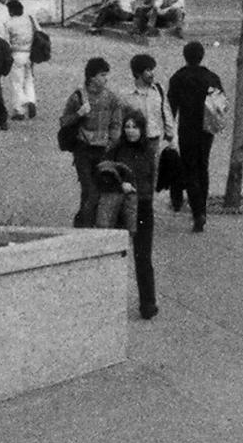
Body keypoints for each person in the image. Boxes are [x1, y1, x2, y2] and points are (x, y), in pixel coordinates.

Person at [117, 56, 167, 319]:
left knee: (143, 257)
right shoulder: (117, 152)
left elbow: (164, 112)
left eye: (135, 128)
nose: (131, 131)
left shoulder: (149, 154)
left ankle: (148, 303)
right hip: (122, 206)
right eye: (127, 127)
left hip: (143, 206)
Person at [59, 57, 127, 228]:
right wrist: (79, 114)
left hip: (103, 151)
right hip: (83, 150)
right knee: (89, 190)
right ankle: (85, 227)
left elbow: (116, 123)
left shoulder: (111, 98)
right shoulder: (78, 97)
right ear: (91, 77)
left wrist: (112, 142)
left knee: (96, 191)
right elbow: (64, 121)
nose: (106, 79)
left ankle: (82, 224)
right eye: (102, 75)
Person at [165, 40, 224, 230]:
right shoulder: (212, 77)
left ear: (185, 56)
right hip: (206, 129)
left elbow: (170, 108)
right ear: (202, 56)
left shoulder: (178, 77)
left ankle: (197, 211)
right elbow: (221, 103)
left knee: (189, 167)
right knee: (203, 166)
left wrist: (168, 131)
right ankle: (202, 209)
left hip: (187, 128)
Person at [1, 0, 38, 120]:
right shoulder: (29, 19)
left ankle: (19, 109)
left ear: (10, 11)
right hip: (30, 53)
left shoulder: (9, 24)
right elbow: (39, 32)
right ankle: (31, 99)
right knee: (29, 80)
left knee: (16, 83)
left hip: (16, 54)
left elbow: (6, 42)